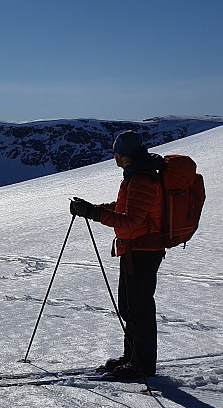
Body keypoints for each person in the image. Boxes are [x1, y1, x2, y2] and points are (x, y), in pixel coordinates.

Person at [70, 130, 165, 379]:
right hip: (136, 248)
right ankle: (132, 356)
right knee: (130, 305)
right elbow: (123, 209)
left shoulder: (142, 179)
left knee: (138, 307)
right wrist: (92, 209)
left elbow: (130, 221)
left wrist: (93, 213)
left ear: (123, 155)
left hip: (143, 249)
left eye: (116, 153)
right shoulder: (136, 176)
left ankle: (142, 364)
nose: (114, 157)